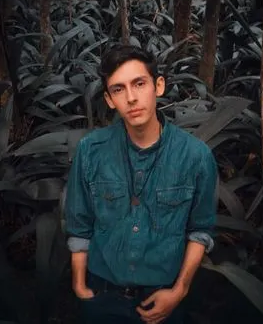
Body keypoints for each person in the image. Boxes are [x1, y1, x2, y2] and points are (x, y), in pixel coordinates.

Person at [64, 44, 218, 324]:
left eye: (139, 83)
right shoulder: (90, 150)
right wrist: (80, 287)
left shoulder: (196, 156)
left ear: (158, 86)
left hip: (163, 298)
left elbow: (201, 230)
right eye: (118, 89)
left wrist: (179, 291)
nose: (131, 98)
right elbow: (79, 225)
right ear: (110, 100)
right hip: (102, 297)